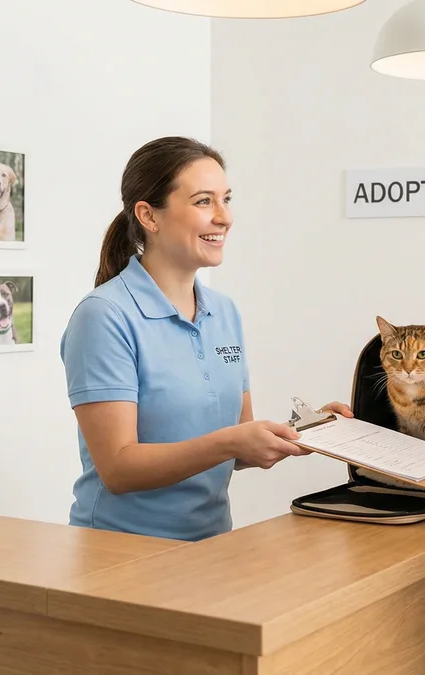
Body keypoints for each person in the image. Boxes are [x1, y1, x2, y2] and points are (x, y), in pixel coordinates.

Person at [60, 136, 350, 542]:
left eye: (226, 199)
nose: (224, 217)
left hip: (211, 546)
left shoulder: (224, 312)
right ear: (149, 215)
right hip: (120, 553)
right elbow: (118, 469)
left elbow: (235, 446)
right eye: (203, 202)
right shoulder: (104, 316)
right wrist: (232, 440)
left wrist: (302, 433)